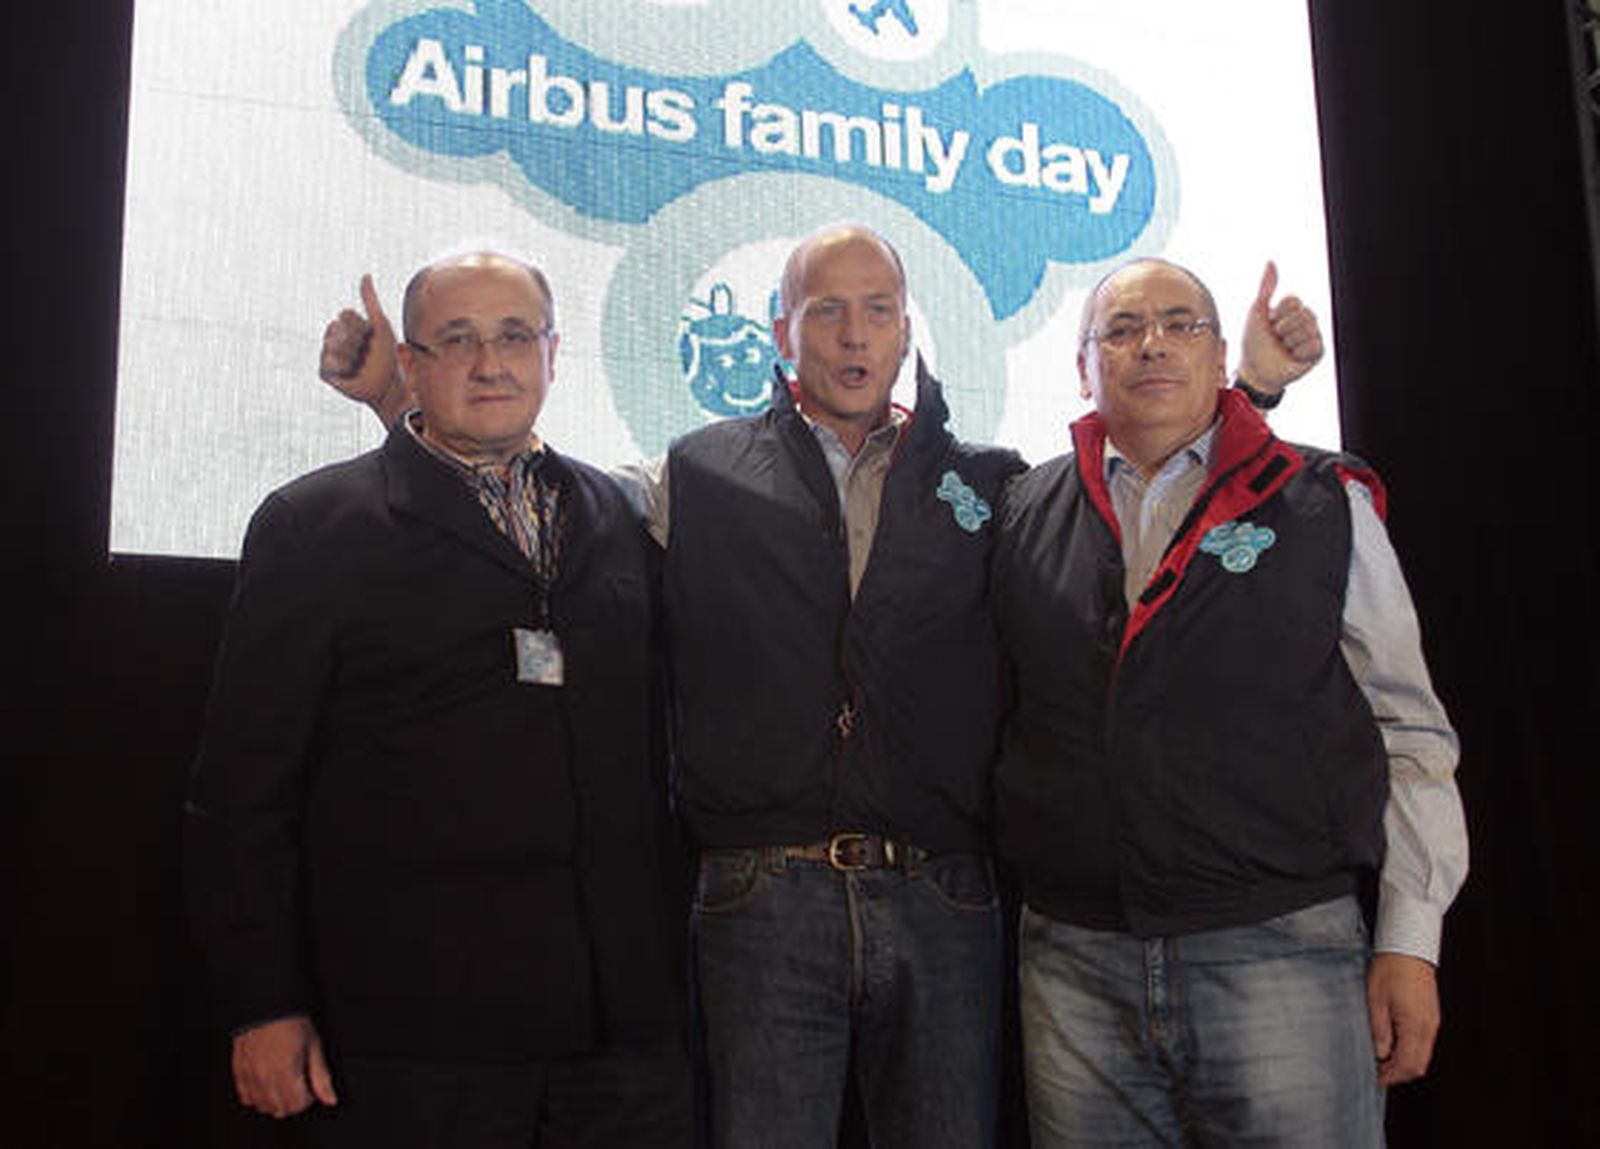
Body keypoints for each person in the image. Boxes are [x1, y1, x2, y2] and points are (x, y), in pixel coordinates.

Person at [318, 228, 1323, 1149]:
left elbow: (1158, 495)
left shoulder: (994, 483)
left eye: (879, 309)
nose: (855, 335)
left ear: (905, 326)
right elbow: (522, 488)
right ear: (780, 330)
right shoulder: (694, 475)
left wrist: (1256, 395)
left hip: (946, 898)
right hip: (762, 898)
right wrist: (395, 404)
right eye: (827, 311)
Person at [187, 252, 692, 1148]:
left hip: (619, 1038)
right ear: (412, 364)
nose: (490, 363)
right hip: (415, 1037)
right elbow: (240, 797)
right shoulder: (316, 526)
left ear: (552, 352)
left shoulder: (613, 518)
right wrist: (260, 1003)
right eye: (456, 340)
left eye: (512, 337)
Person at [988, 257, 1469, 1147]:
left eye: (1181, 323)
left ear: (1218, 362)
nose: (1153, 343)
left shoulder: (1321, 500)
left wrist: (1410, 935)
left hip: (1284, 950)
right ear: (1084, 368)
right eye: (1122, 329)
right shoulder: (1022, 509)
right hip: (1073, 966)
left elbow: (1409, 727)